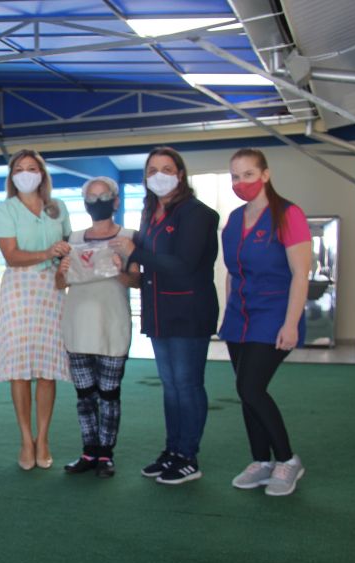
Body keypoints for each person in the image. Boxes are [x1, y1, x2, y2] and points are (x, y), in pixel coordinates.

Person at [112, 146, 219, 485]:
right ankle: (173, 450)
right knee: (171, 387)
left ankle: (188, 456)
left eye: (167, 169)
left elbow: (183, 265)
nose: (159, 176)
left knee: (187, 385)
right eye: (152, 170)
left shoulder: (197, 213)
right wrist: (125, 263)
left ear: (180, 174)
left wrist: (135, 253)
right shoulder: (151, 214)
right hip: (159, 313)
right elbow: (147, 264)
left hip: (189, 312)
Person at [220, 148, 310, 496]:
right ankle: (261, 461)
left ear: (265, 175)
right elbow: (231, 273)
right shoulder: (234, 219)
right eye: (235, 176)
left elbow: (300, 274)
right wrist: (228, 313)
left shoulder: (288, 214)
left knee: (250, 388)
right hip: (239, 317)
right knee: (246, 392)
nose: (241, 182)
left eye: (248, 174)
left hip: (274, 315)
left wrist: (291, 324)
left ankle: (287, 460)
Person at [0, 149, 72, 470]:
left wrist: (63, 262)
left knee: (47, 369)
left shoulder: (58, 207)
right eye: (19, 169)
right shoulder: (5, 209)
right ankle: (26, 439)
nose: (26, 173)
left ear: (42, 174)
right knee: (19, 369)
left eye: (32, 168)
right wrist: (47, 253)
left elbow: (67, 248)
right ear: (12, 177)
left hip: (52, 291)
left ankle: (44, 438)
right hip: (19, 291)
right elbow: (11, 255)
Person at [56, 177, 137, 479]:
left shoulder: (129, 237)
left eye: (103, 196)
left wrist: (120, 271)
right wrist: (61, 272)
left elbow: (136, 280)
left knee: (109, 394)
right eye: (91, 197)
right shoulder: (72, 239)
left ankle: (106, 454)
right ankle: (89, 451)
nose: (97, 201)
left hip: (112, 325)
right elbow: (59, 282)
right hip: (77, 326)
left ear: (116, 201)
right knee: (84, 396)